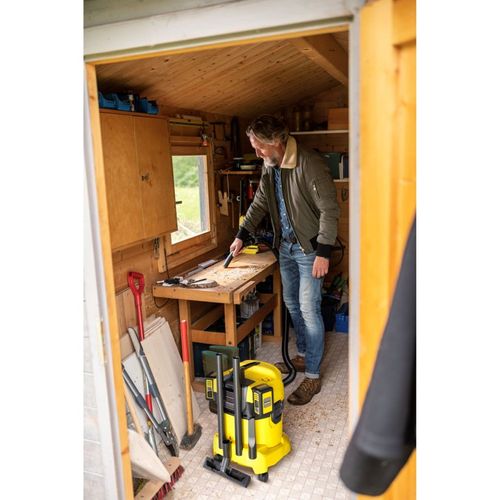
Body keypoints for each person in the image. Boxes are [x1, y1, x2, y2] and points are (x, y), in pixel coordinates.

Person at [229, 114, 340, 405]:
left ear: (276, 141)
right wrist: (242, 234)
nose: (257, 153)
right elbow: (260, 202)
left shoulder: (309, 163)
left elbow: (329, 209)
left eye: (259, 147)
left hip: (309, 249)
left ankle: (312, 376)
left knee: (309, 308)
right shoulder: (270, 165)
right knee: (292, 303)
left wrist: (324, 252)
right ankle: (303, 355)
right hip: (286, 248)